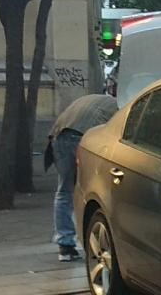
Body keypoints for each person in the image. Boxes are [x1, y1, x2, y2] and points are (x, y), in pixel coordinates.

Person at [45, 87, 118, 261]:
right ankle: (92, 239)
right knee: (92, 189)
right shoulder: (119, 109)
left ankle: (65, 245)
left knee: (64, 190)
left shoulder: (94, 99)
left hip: (58, 137)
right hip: (81, 139)